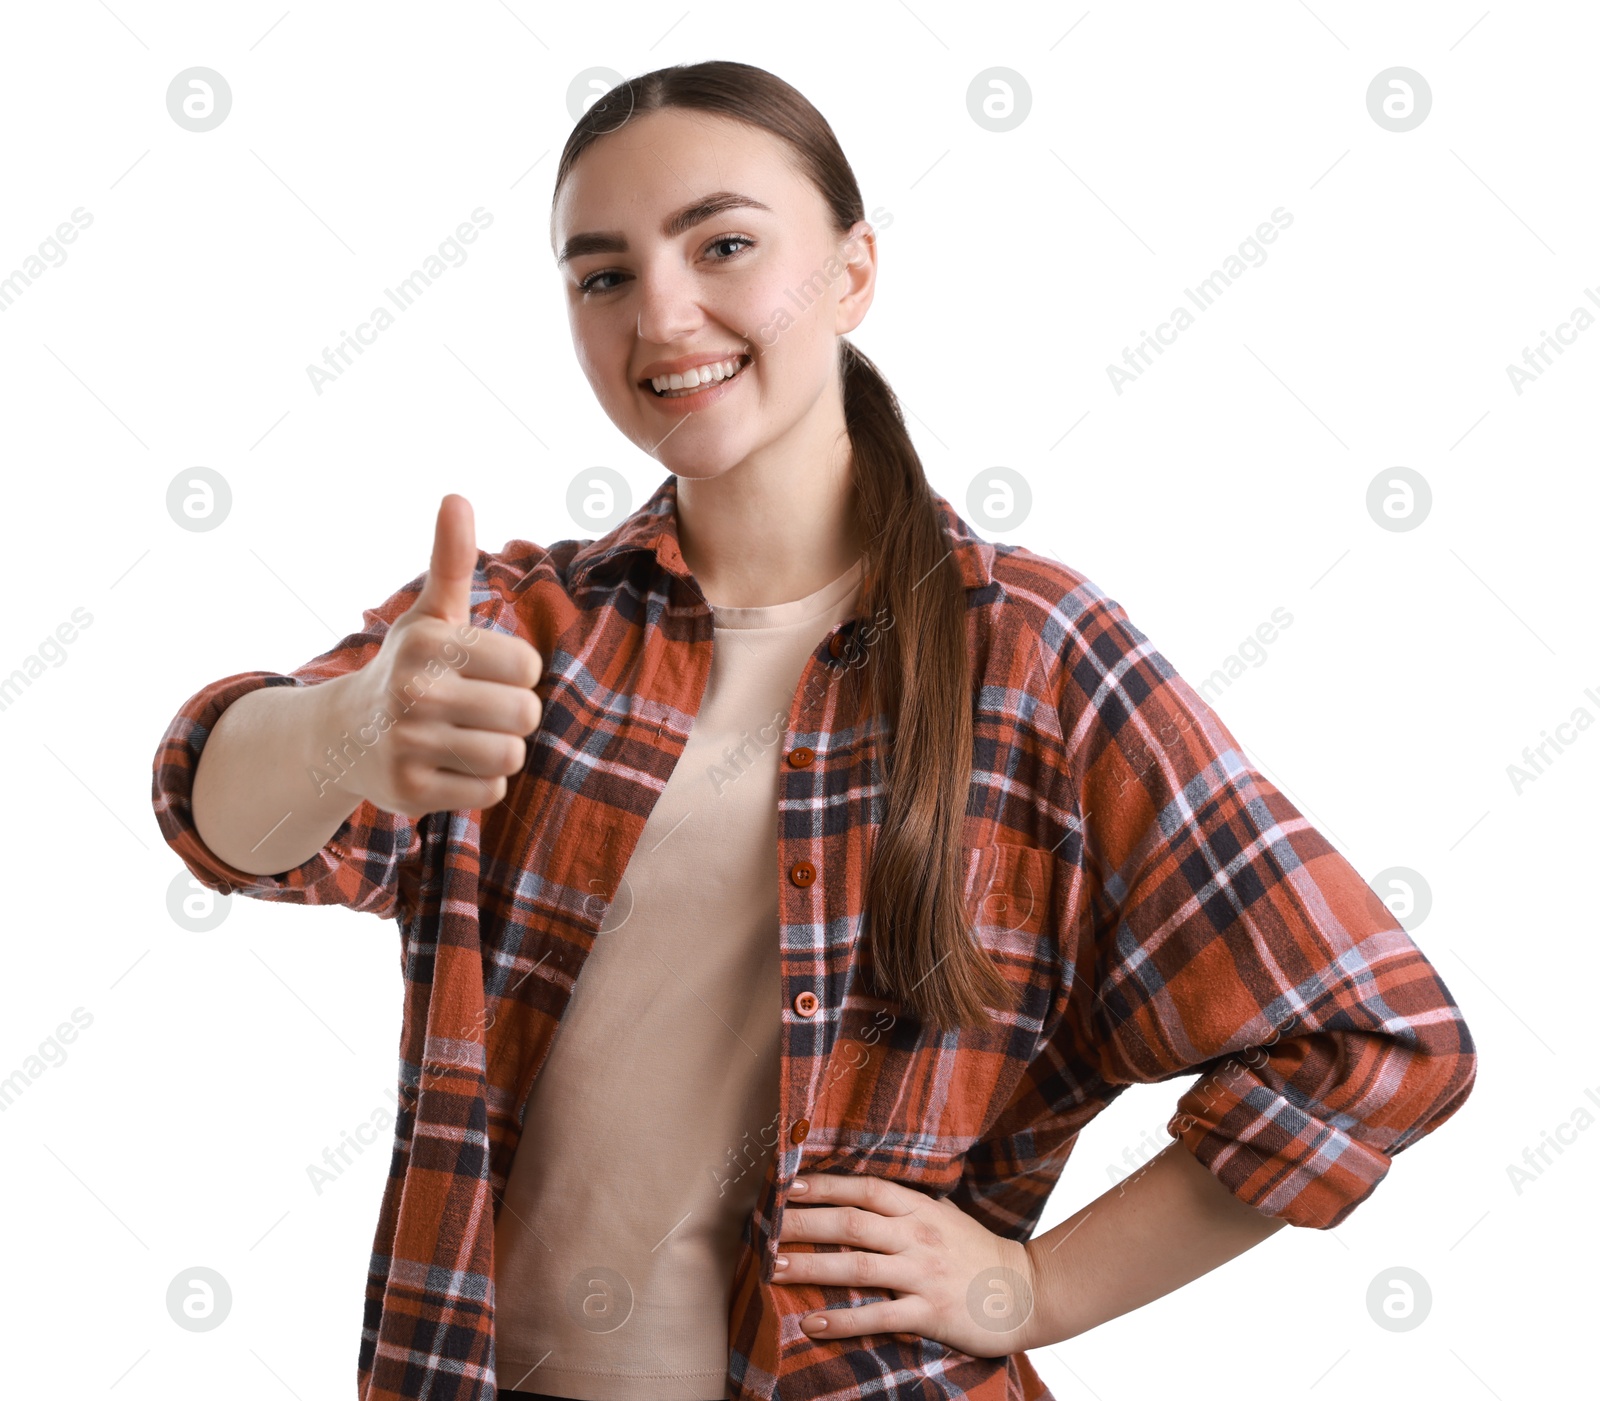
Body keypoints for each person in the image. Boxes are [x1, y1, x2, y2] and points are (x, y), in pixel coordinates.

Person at [150, 59, 1478, 1401]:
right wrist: (347, 727)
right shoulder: (516, 626)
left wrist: (1036, 1285)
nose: (661, 313)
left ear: (852, 270)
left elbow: (1373, 1038)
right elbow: (213, 813)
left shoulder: (1033, 654)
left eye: (723, 244)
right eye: (601, 274)